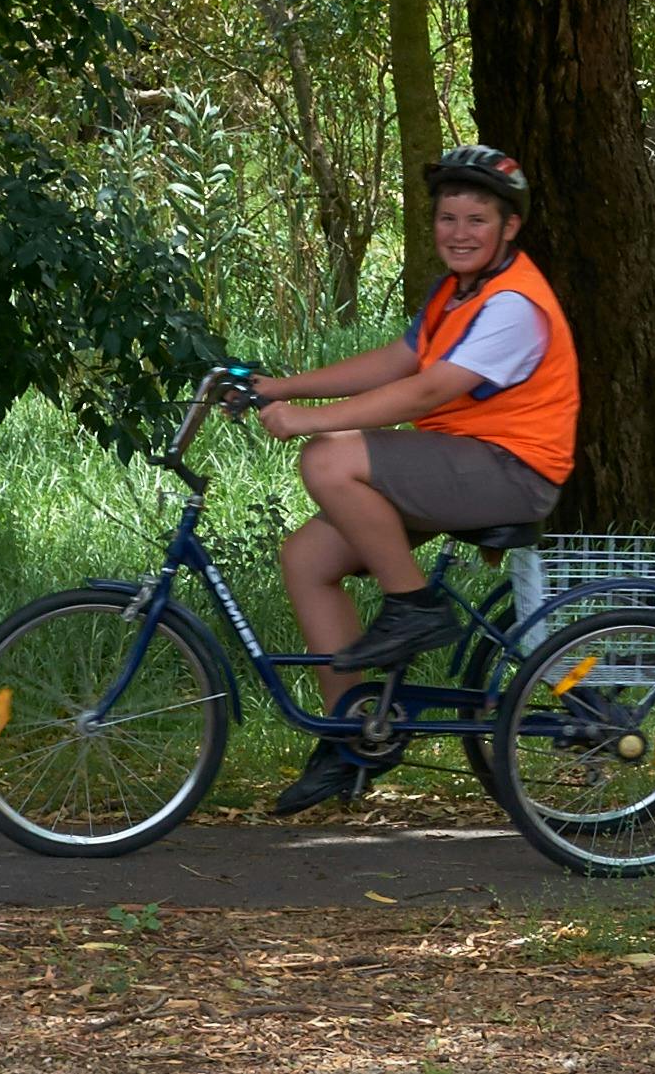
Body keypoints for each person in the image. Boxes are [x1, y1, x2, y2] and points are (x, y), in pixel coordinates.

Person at [245, 143, 578, 816]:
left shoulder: (514, 304)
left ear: (509, 227)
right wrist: (277, 385)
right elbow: (396, 361)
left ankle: (415, 606)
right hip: (460, 463)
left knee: (327, 457)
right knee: (306, 557)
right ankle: (352, 737)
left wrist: (310, 419)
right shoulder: (458, 291)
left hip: (510, 472)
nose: (457, 232)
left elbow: (422, 393)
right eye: (446, 217)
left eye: (476, 220)